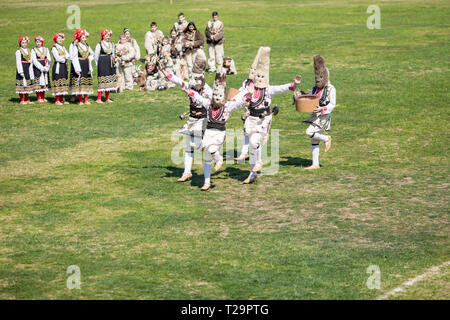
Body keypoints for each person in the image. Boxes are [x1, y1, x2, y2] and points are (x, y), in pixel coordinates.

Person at [182, 60, 251, 191]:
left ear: (224, 96)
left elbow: (239, 101)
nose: (217, 97)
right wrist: (188, 91)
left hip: (219, 133)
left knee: (212, 149)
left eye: (220, 95)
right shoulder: (208, 104)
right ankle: (207, 182)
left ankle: (219, 159)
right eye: (215, 95)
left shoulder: (227, 107)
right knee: (206, 156)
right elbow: (198, 97)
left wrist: (248, 94)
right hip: (208, 132)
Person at [242, 47, 301, 184]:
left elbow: (283, 88)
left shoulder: (269, 90)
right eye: (258, 76)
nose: (260, 78)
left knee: (254, 142)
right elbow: (239, 99)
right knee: (252, 146)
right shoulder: (250, 89)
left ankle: (260, 162)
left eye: (263, 76)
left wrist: (294, 84)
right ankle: (252, 174)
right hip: (251, 120)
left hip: (263, 120)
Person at [161, 51, 212, 182]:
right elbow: (179, 81)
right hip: (192, 119)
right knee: (189, 146)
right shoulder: (190, 86)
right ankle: (187, 172)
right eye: (192, 78)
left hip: (203, 120)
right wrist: (167, 74)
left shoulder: (208, 90)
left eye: (196, 79)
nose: (193, 81)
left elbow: (216, 103)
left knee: (199, 145)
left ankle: (215, 157)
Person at [300, 54, 335, 170]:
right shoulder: (315, 87)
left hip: (323, 116)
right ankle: (315, 164)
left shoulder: (331, 89)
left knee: (309, 132)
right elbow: (312, 97)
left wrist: (322, 109)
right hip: (315, 115)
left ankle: (326, 138)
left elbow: (332, 104)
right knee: (314, 139)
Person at [234, 48, 262, 161]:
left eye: (254, 70)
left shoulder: (260, 83)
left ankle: (254, 154)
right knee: (246, 131)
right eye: (251, 70)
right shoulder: (246, 82)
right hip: (247, 110)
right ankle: (245, 153)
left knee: (253, 132)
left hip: (256, 111)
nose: (251, 72)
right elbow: (242, 91)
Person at [69, 29, 94, 105]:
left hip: (86, 64)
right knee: (79, 83)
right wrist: (77, 68)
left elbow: (92, 54)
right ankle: (80, 100)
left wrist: (90, 59)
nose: (84, 39)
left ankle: (86, 100)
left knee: (86, 82)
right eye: (83, 38)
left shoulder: (87, 45)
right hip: (79, 64)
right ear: (80, 38)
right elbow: (74, 57)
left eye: (85, 38)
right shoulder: (76, 45)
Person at [95, 30, 117, 103]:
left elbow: (113, 53)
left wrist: (114, 60)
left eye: (109, 35)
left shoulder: (111, 44)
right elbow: (96, 56)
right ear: (103, 36)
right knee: (102, 80)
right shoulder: (99, 44)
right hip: (102, 63)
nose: (108, 37)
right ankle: (99, 98)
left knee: (109, 80)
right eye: (106, 35)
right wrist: (98, 65)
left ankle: (107, 98)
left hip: (110, 63)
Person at [51, 33, 70, 105]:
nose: (60, 40)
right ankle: (57, 100)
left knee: (63, 81)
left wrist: (64, 56)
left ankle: (62, 99)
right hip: (58, 66)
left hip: (64, 66)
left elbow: (68, 55)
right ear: (56, 39)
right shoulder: (54, 48)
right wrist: (64, 57)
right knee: (58, 81)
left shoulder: (63, 47)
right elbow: (57, 58)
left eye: (61, 38)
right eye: (58, 38)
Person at [31, 35, 51, 103]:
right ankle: (39, 97)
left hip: (45, 66)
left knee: (44, 82)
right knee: (39, 83)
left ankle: (43, 97)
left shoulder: (46, 49)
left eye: (39, 42)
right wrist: (41, 68)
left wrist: (47, 66)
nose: (38, 43)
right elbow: (34, 60)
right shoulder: (33, 50)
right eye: (37, 42)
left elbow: (48, 59)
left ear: (42, 42)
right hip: (38, 68)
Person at [15, 36, 34, 104]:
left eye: (25, 43)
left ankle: (27, 99)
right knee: (22, 84)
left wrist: (31, 61)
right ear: (20, 43)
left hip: (28, 68)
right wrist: (20, 71)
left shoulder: (29, 50)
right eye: (23, 43)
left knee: (27, 84)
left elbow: (31, 58)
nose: (24, 44)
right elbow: (18, 62)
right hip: (22, 67)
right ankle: (22, 100)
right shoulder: (18, 51)